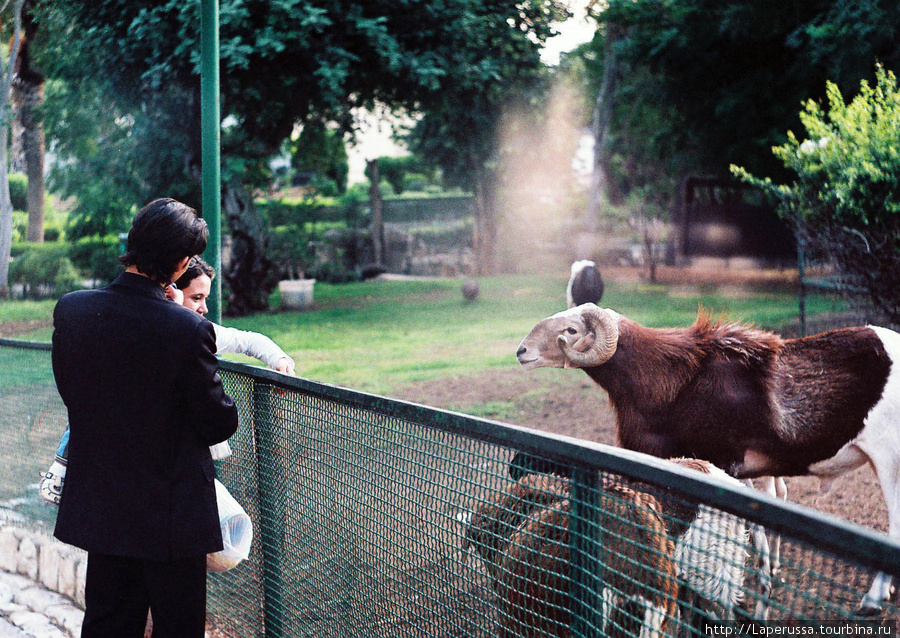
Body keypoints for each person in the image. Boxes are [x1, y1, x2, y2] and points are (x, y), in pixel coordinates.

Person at [51, 198, 239, 637]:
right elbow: (217, 422)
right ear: (179, 264)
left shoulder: (73, 310)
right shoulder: (186, 329)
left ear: (133, 243)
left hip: (104, 502)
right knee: (178, 626)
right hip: (172, 513)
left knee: (107, 621)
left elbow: (71, 393)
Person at [40, 257, 295, 504]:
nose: (204, 308)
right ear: (170, 293)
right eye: (196, 298)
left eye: (205, 299)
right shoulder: (149, 325)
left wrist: (279, 359)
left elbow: (247, 340)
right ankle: (62, 466)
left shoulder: (201, 330)